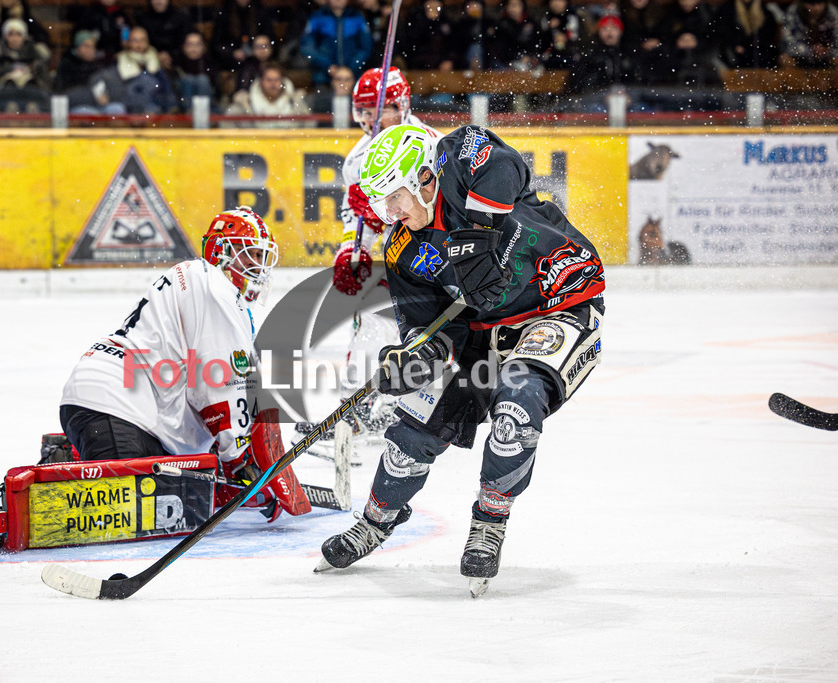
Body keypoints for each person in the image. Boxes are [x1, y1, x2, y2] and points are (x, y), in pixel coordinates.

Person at [316, 123, 605, 597]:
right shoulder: (403, 249)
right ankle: (376, 520)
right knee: (414, 428)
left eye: (395, 197)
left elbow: (507, 167)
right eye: (383, 202)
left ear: (425, 177)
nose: (390, 211)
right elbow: (429, 327)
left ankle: (489, 522)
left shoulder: (458, 157)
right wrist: (414, 357)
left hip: (561, 306)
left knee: (516, 408)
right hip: (482, 334)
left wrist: (477, 232)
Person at [59, 207, 286, 519]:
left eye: (261, 256)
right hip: (119, 409)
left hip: (108, 402)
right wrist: (238, 462)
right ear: (220, 252)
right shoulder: (215, 288)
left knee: (184, 501)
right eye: (248, 254)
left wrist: (222, 463)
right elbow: (220, 383)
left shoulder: (197, 280)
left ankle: (73, 455)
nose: (257, 265)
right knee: (136, 516)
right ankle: (73, 467)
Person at [291, 68, 439, 454]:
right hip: (402, 252)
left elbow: (430, 206)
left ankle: (378, 408)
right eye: (364, 112)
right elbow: (353, 216)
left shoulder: (428, 143)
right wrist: (351, 249)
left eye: (381, 110)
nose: (372, 120)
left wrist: (377, 211)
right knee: (373, 314)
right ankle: (366, 407)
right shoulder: (358, 158)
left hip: (437, 250)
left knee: (394, 319)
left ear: (402, 106)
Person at [299, 0, 373, 86]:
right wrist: (328, 66)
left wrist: (352, 67)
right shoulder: (317, 17)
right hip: (323, 78)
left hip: (353, 77)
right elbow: (307, 47)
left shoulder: (357, 17)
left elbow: (366, 48)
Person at [779, 0, 838, 69]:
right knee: (785, 59)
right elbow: (788, 43)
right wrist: (811, 51)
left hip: (827, 56)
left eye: (820, 2)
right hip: (801, 56)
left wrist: (827, 50)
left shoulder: (833, 12)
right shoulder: (792, 12)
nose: (816, 8)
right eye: (811, 3)